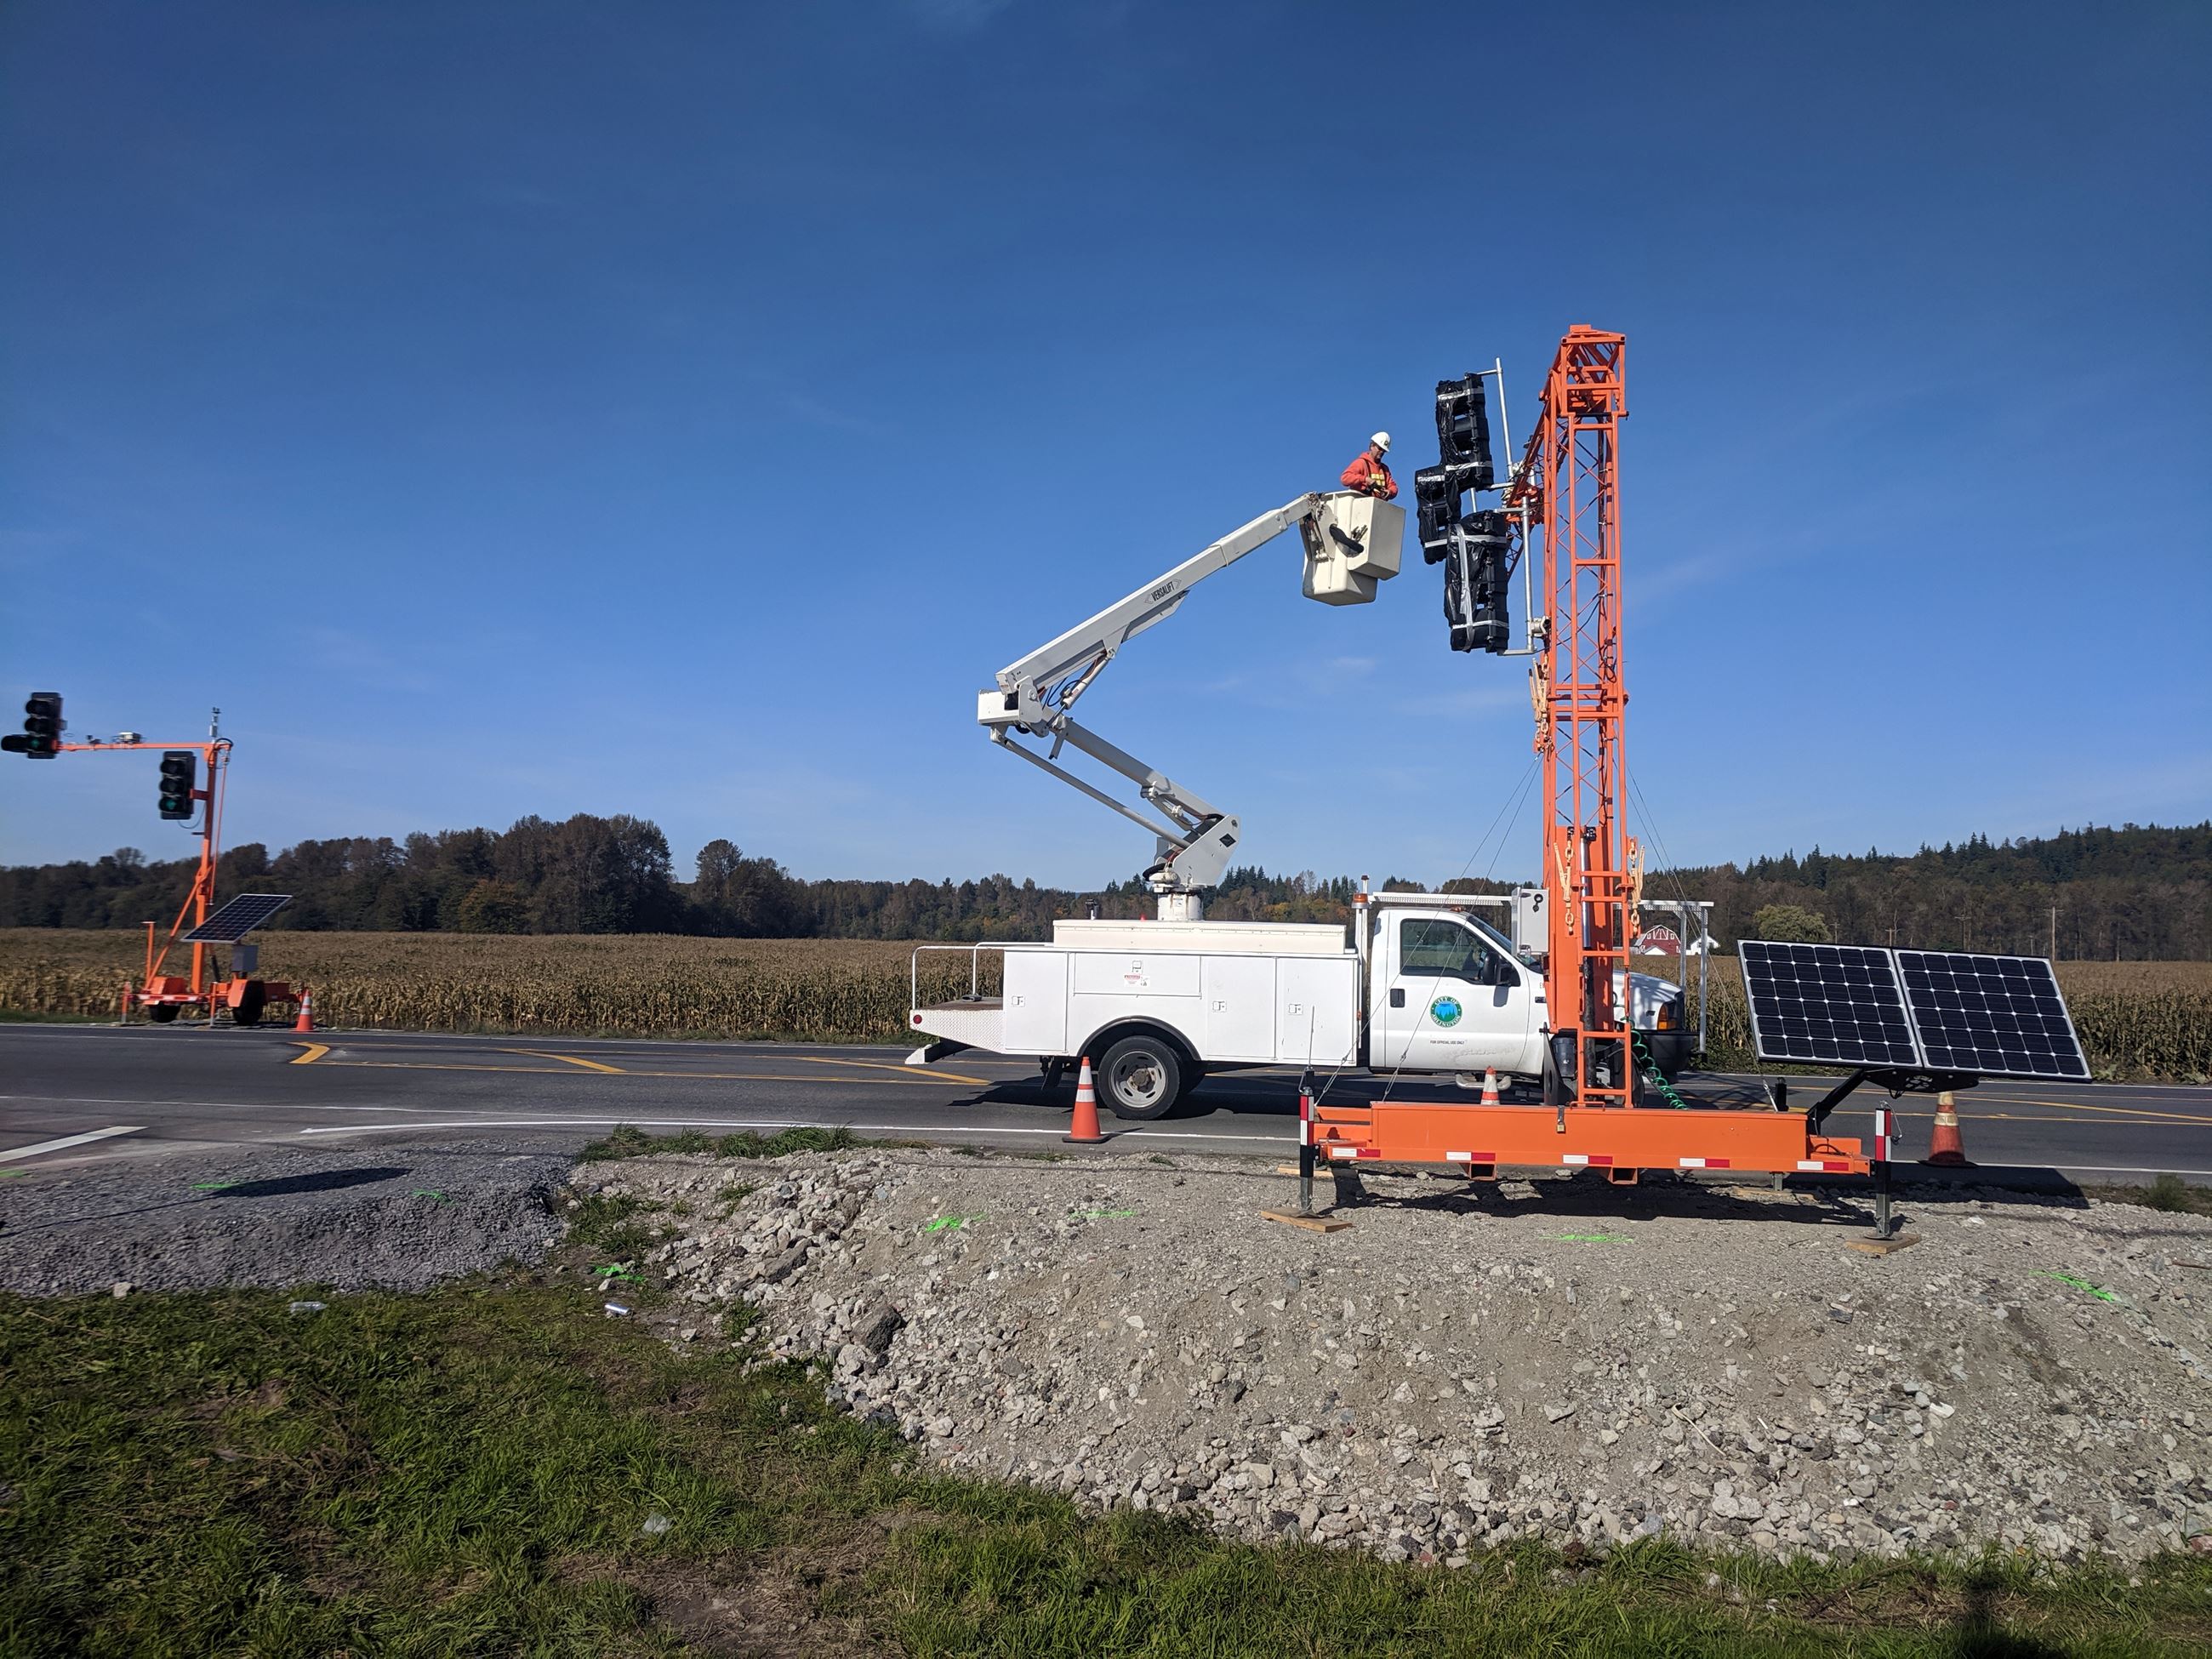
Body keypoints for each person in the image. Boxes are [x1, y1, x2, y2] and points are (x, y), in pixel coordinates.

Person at [1341, 431, 1396, 499]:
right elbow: (1345, 478)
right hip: (1361, 504)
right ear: (1372, 446)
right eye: (1379, 448)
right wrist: (1365, 479)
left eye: (1384, 450)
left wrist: (1390, 491)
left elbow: (1392, 486)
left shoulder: (1385, 469)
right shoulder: (1361, 463)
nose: (1381, 452)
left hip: (1377, 506)